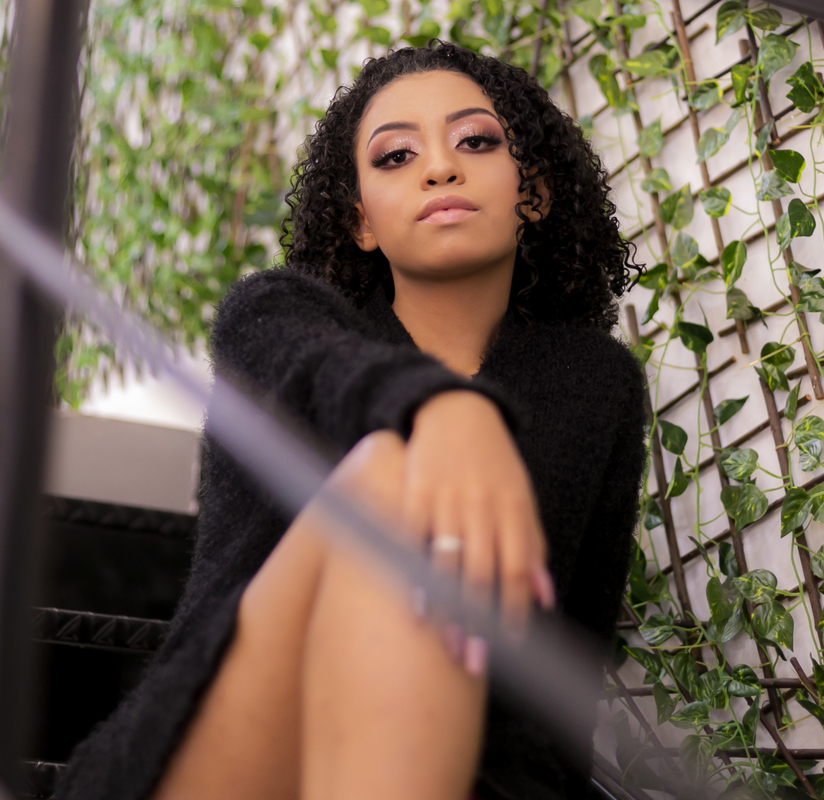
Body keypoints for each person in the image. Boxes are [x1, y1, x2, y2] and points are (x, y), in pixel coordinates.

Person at [57, 40, 648, 800]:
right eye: (397, 156)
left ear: (531, 192)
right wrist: (444, 410)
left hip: (470, 770)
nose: (441, 168)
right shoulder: (278, 317)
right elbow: (318, 372)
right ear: (361, 221)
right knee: (390, 475)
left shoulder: (596, 384)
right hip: (229, 741)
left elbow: (568, 664)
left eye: (476, 141)